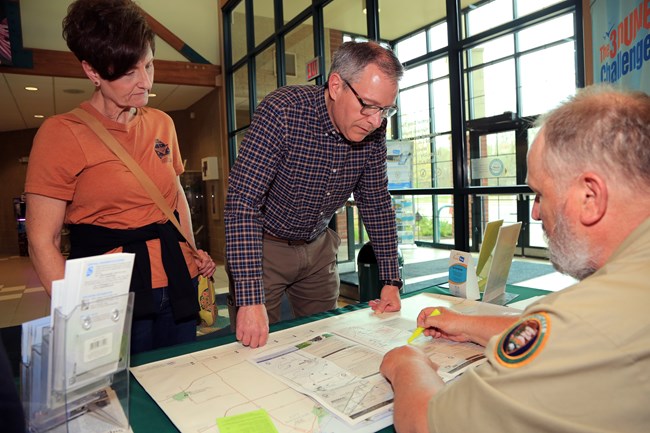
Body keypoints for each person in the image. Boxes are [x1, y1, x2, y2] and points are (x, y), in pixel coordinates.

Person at [380, 85, 650, 433]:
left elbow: (425, 424)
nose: (535, 213)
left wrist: (407, 365)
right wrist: (463, 323)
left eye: (540, 193)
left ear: (589, 196)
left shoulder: (588, 317)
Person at [24, 0, 216, 354]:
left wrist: (192, 250)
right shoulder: (61, 134)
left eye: (149, 65)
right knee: (124, 395)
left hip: (178, 279)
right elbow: (42, 241)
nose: (145, 82)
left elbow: (176, 200)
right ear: (93, 72)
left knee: (183, 379)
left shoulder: (162, 123)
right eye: (129, 72)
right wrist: (77, 315)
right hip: (110, 293)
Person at [225, 41, 405, 348]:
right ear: (336, 85)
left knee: (324, 343)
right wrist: (249, 296)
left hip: (319, 246)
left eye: (386, 109)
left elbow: (375, 201)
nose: (377, 120)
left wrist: (390, 279)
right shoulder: (283, 111)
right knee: (255, 345)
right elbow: (243, 201)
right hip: (265, 247)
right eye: (370, 105)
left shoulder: (373, 127)